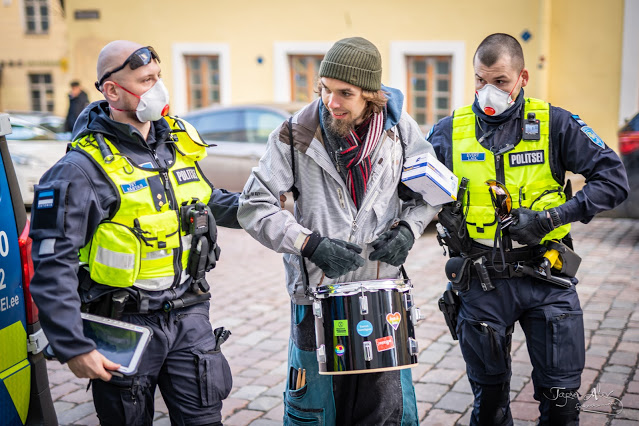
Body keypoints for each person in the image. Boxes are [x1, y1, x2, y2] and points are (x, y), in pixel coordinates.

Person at [29, 40, 240, 426]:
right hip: (123, 323)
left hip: (189, 313)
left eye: (158, 76)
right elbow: (51, 263)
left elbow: (208, 200)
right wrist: (72, 345)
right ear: (112, 91)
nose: (158, 88)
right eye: (146, 80)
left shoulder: (176, 145)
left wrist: (269, 210)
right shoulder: (79, 169)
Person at [429, 33, 629, 425]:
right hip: (481, 281)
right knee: (489, 406)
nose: (488, 91)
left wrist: (549, 220)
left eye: (500, 81)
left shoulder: (556, 123)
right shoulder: (448, 131)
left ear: (522, 78)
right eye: (480, 80)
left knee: (561, 402)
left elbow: (613, 181)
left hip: (546, 276)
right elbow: (411, 188)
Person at [238, 37, 439, 425]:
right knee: (315, 414)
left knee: (386, 414)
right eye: (325, 89)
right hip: (316, 299)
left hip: (382, 299)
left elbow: (433, 192)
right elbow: (253, 206)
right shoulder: (294, 134)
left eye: (345, 93)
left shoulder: (401, 130)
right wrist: (309, 244)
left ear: (370, 95)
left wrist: (409, 231)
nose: (331, 101)